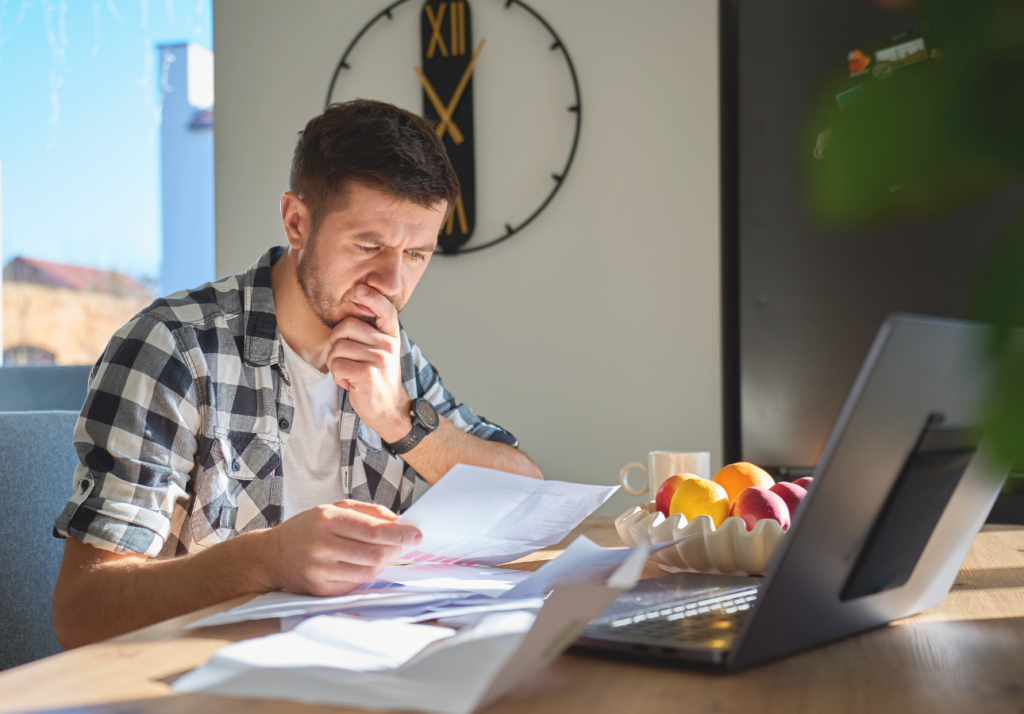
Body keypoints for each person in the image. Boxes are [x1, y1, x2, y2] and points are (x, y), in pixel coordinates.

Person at [51, 99, 542, 649]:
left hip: (371, 672)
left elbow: (528, 499)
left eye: (416, 255)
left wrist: (403, 421)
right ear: (296, 222)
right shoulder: (172, 349)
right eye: (368, 246)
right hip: (199, 685)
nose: (393, 284)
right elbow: (83, 611)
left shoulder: (390, 355)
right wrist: (266, 559)